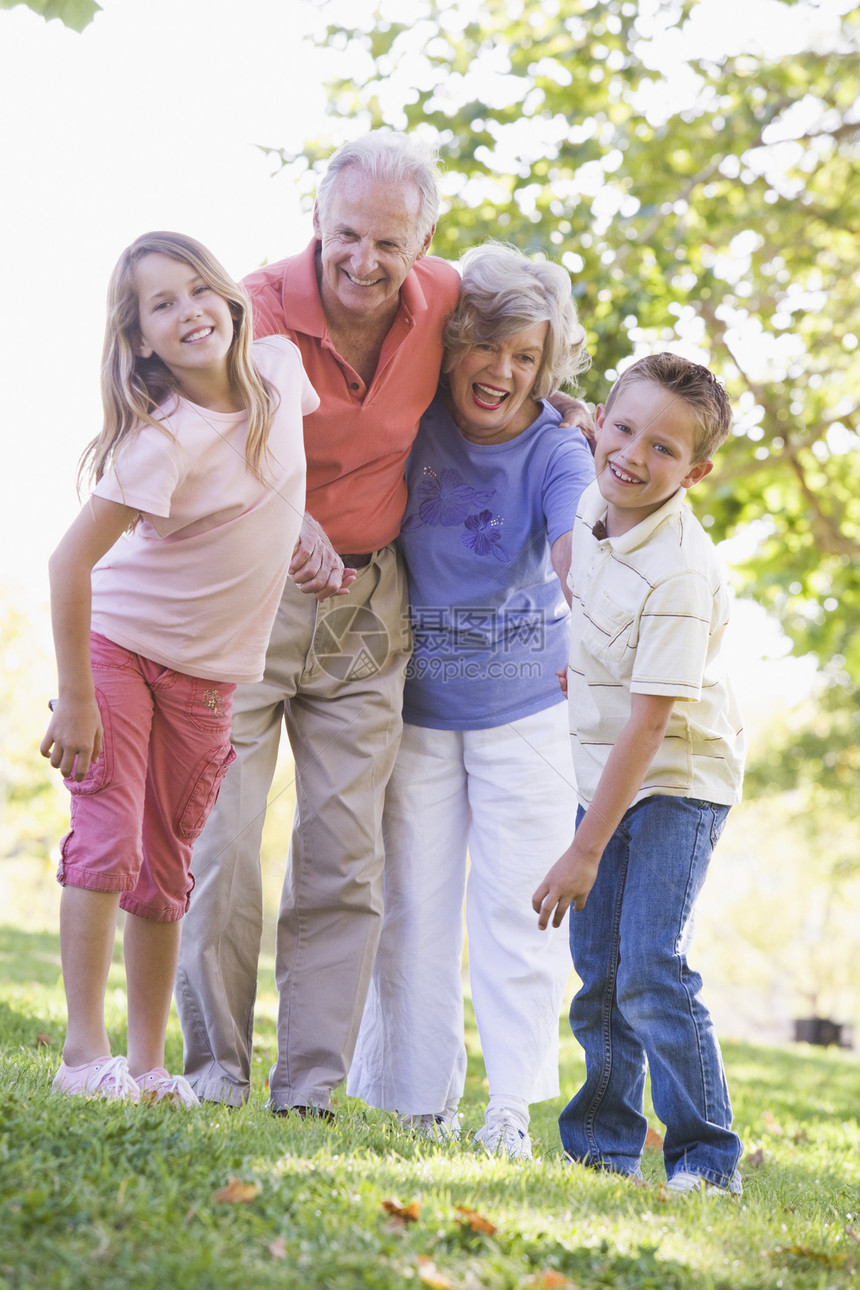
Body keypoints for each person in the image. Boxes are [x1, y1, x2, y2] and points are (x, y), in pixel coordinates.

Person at [173, 131, 463, 1114]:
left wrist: (568, 414)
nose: (364, 262)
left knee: (343, 853)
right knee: (218, 841)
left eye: (390, 244)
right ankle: (214, 1071)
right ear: (317, 222)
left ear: (421, 243)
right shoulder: (250, 308)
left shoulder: (445, 305)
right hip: (246, 593)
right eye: (348, 235)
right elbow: (198, 436)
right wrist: (280, 506)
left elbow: (517, 356)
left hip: (366, 606)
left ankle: (309, 1086)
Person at [40, 231, 312, 1104]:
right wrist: (76, 699)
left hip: (207, 675)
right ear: (142, 340)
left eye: (198, 290)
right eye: (162, 304)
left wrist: (299, 527)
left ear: (229, 299)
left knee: (165, 863)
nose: (188, 311)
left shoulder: (279, 372)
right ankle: (85, 1058)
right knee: (110, 842)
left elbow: (279, 479)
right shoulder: (163, 439)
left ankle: (150, 1067)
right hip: (118, 653)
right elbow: (67, 563)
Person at [347, 243, 595, 1159]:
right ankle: (420, 1103)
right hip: (414, 711)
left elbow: (573, 541)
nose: (503, 370)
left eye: (527, 357)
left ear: (549, 364)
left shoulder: (559, 449)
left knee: (516, 914)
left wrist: (588, 586)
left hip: (527, 713)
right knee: (414, 908)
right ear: (452, 344)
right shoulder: (413, 422)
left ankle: (509, 1112)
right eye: (487, 345)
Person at [533, 353, 745, 1193]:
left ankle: (705, 1160)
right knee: (599, 970)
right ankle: (601, 1149)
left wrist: (584, 850)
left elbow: (652, 726)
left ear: (695, 472)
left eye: (663, 448)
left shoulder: (682, 573)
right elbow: (588, 421)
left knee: (651, 966)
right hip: (606, 761)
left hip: (675, 780)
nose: (631, 455)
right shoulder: (599, 488)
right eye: (623, 430)